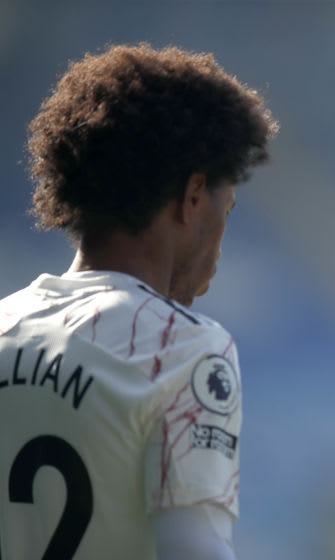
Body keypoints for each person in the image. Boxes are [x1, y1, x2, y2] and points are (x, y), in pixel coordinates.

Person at [0, 44, 277, 559]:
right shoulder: (183, 348)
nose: (221, 240)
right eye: (226, 208)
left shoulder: (5, 323)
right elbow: (194, 550)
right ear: (192, 196)